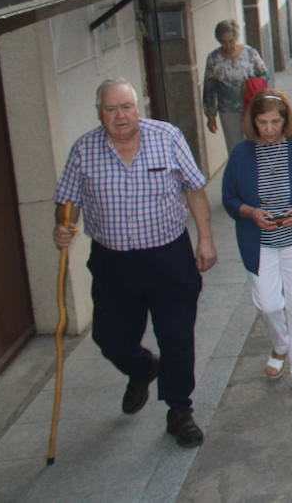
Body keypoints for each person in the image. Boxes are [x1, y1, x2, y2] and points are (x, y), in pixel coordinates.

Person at [52, 79, 216, 447]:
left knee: (176, 337)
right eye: (111, 109)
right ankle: (143, 367)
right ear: (100, 113)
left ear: (137, 106)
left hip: (168, 257)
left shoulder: (167, 137)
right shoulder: (84, 150)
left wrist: (204, 238)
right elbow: (67, 200)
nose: (120, 116)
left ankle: (179, 410)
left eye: (126, 107)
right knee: (110, 337)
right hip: (113, 263)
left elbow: (194, 188)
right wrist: (63, 227)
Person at [221, 90, 292, 400]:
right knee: (268, 304)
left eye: (275, 122)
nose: (269, 129)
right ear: (253, 123)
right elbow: (229, 198)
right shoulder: (241, 153)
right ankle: (280, 344)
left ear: (286, 121)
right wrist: (251, 212)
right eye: (263, 122)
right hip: (259, 242)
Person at [202, 19, 271, 152]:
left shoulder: (250, 53)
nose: (228, 45)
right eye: (223, 42)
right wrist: (210, 115)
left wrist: (251, 85)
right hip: (228, 109)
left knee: (257, 143)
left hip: (252, 106)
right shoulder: (213, 58)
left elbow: (264, 75)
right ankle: (240, 171)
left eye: (231, 41)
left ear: (236, 37)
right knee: (235, 147)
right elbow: (209, 88)